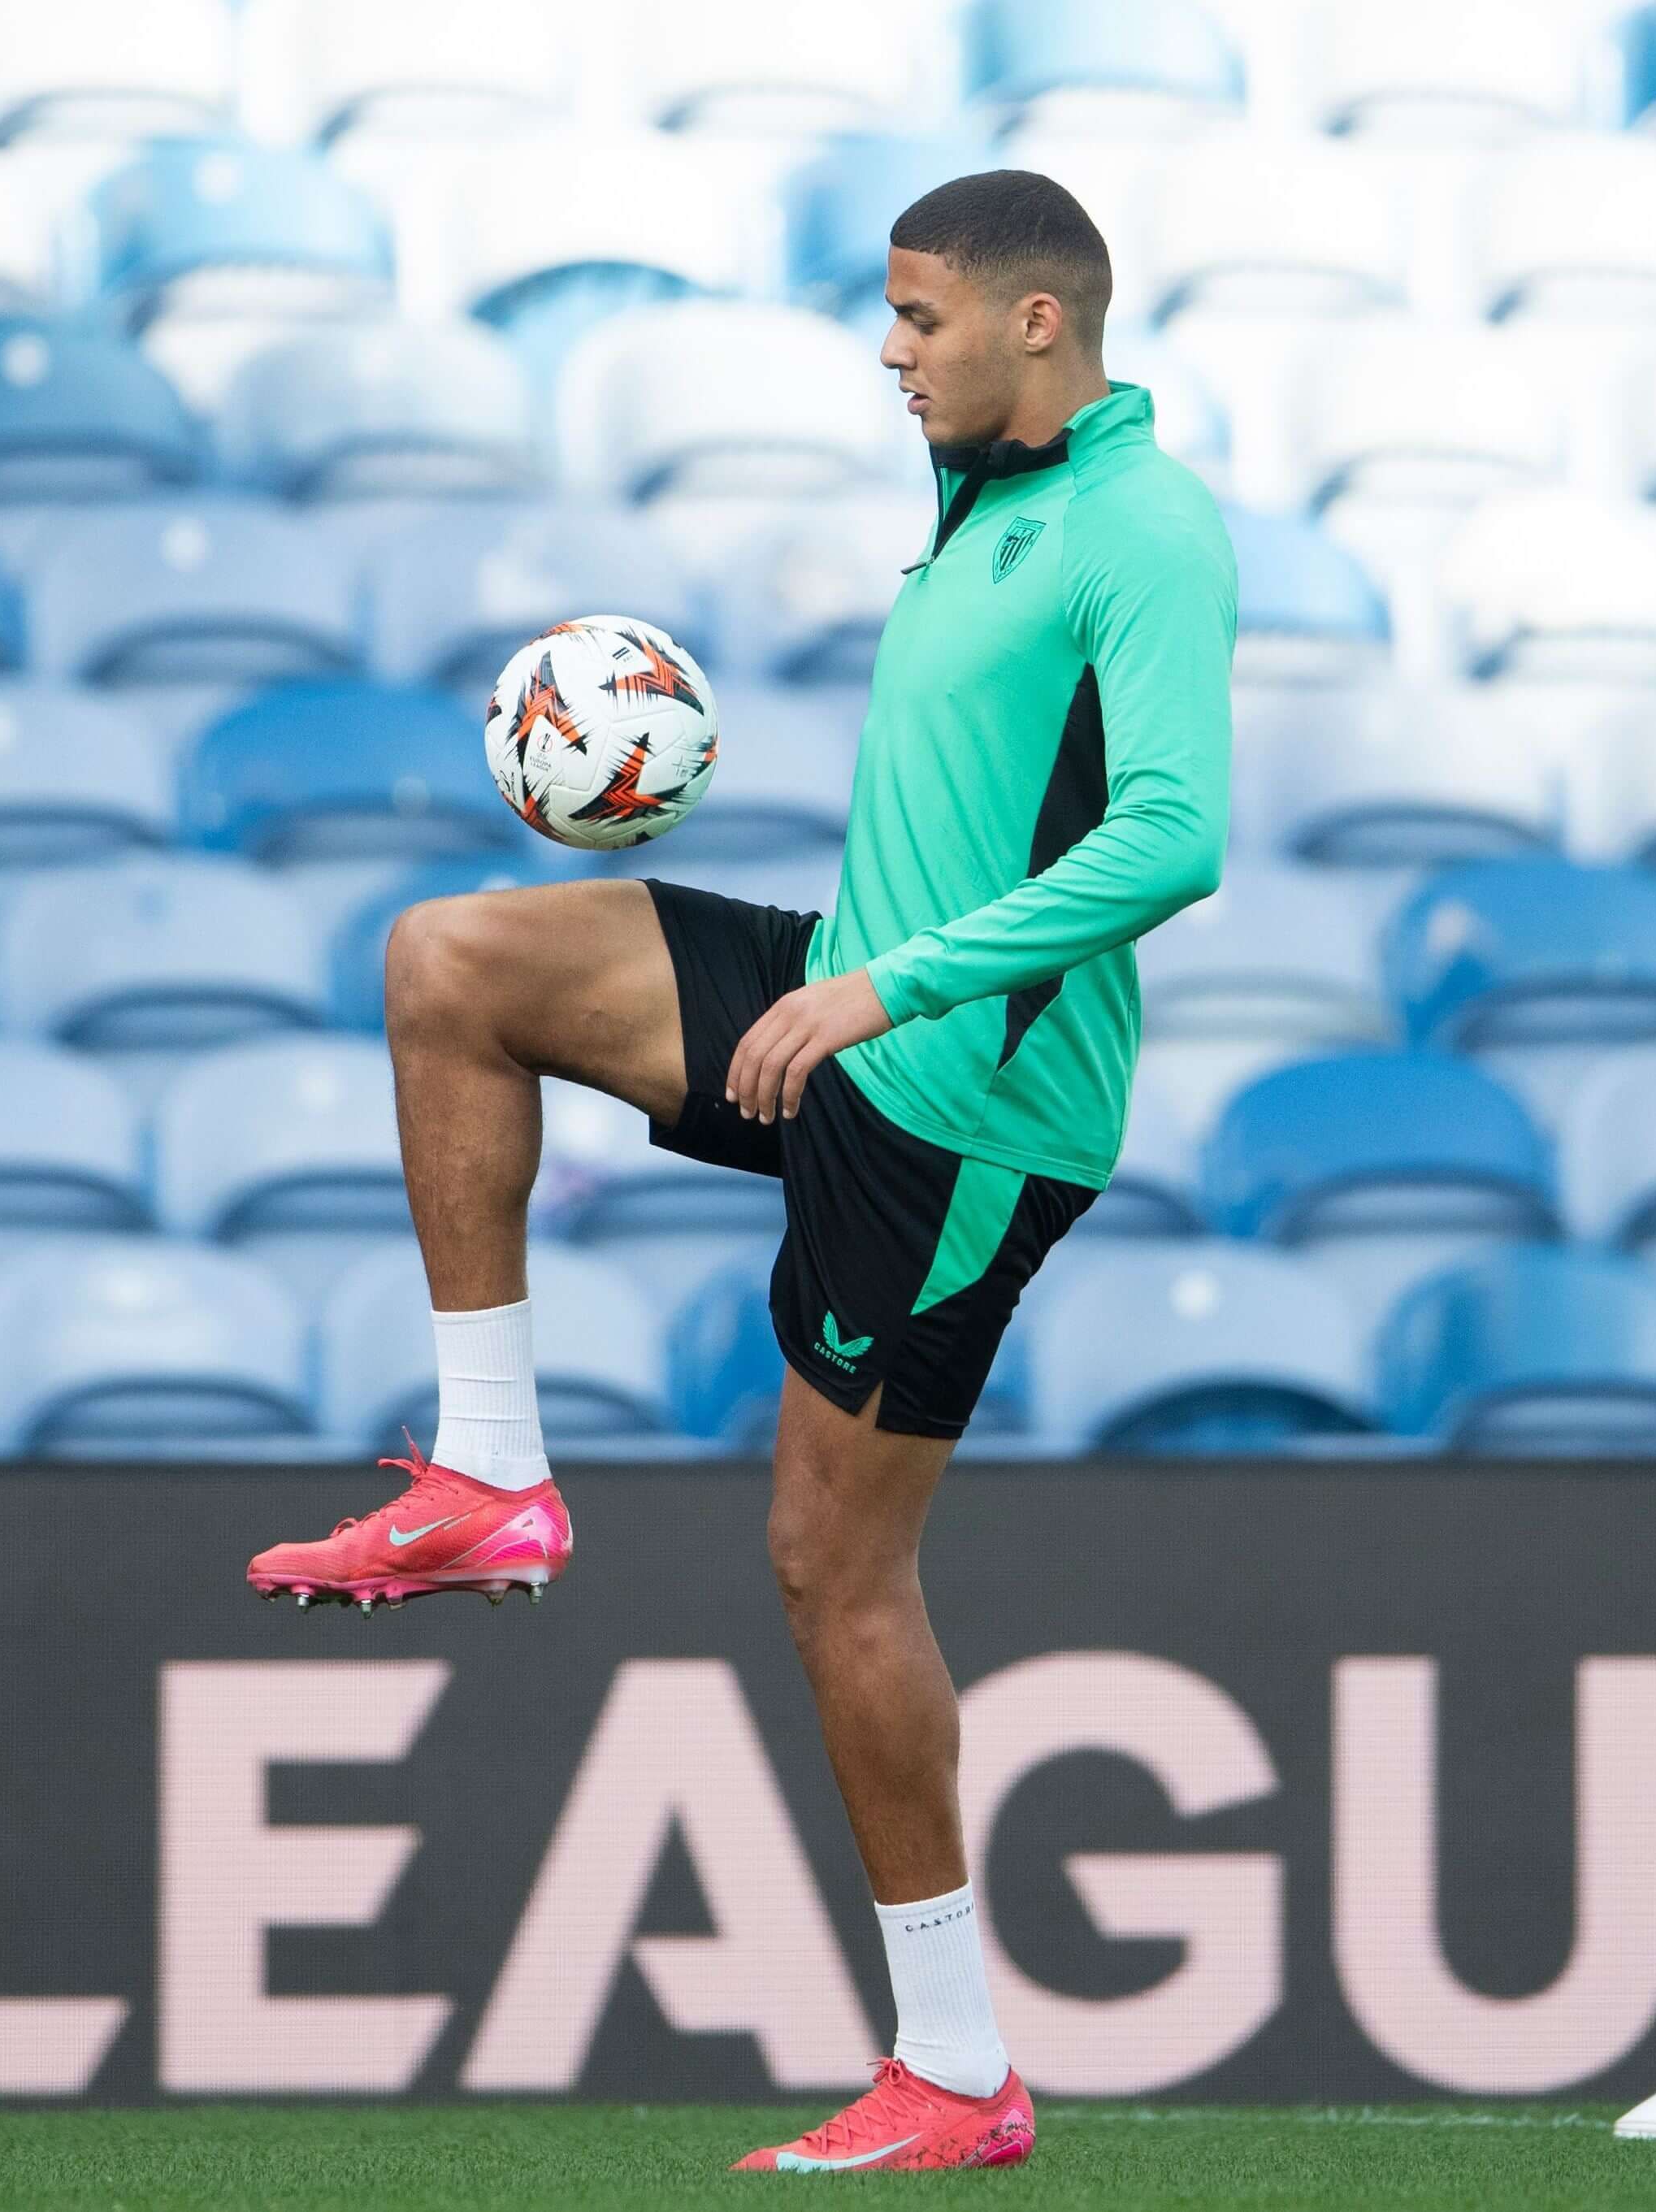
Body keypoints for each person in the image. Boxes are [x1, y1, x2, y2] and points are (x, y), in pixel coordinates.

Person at [248, 168, 1235, 2174]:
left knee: (829, 1567)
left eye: (918, 318)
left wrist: (884, 986)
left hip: (961, 1107)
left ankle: (955, 2066)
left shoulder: (1141, 526)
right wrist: (855, 969)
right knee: (451, 961)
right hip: (847, 989)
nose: (890, 350)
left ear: (1037, 323)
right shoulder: (991, 501)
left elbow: (1173, 839)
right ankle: (487, 1471)